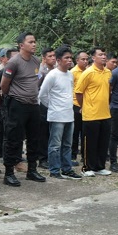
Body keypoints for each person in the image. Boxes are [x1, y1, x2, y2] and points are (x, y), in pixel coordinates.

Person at [0, 32, 46, 186]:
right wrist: (12, 97)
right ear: (21, 45)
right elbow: (3, 85)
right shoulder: (14, 62)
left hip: (33, 105)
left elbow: (36, 80)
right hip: (17, 104)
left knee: (34, 138)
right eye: (31, 42)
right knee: (13, 138)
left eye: (35, 41)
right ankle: (9, 173)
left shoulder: (36, 61)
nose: (34, 44)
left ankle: (32, 170)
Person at [38, 45, 81, 180]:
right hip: (57, 115)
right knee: (55, 144)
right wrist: (53, 107)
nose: (69, 60)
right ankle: (55, 169)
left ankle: (67, 169)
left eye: (70, 57)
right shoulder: (52, 75)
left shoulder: (70, 75)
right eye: (66, 58)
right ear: (58, 60)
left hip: (69, 115)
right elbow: (42, 95)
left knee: (67, 144)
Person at [75, 47, 112, 176]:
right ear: (93, 58)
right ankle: (87, 167)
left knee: (103, 142)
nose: (103, 57)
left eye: (104, 54)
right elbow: (79, 92)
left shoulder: (108, 72)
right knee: (89, 142)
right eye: (100, 54)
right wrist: (84, 106)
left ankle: (99, 166)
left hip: (105, 113)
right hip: (91, 114)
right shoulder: (88, 73)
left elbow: (109, 91)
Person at [35, 47, 56, 168]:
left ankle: (52, 156)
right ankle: (42, 159)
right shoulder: (41, 71)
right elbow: (36, 87)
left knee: (53, 132)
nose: (53, 58)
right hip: (43, 104)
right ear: (44, 58)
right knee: (43, 132)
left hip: (55, 104)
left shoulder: (57, 69)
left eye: (54, 56)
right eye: (50, 56)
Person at [70, 51, 89, 163]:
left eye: (87, 59)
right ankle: (73, 154)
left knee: (85, 132)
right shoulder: (73, 72)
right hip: (75, 105)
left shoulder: (88, 71)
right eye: (83, 59)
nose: (85, 61)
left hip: (86, 105)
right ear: (77, 60)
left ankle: (84, 154)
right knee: (75, 132)